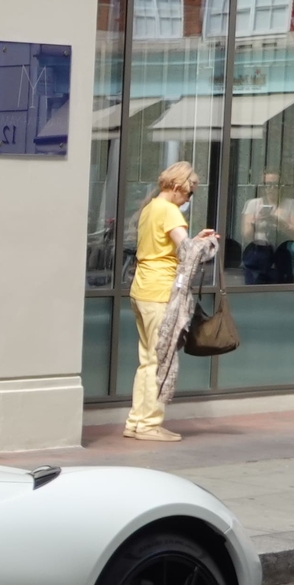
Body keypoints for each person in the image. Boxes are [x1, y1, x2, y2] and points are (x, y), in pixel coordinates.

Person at [125, 161, 217, 441]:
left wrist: (193, 240)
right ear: (177, 187)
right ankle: (149, 424)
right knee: (161, 360)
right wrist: (207, 244)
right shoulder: (170, 211)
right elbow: (188, 252)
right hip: (161, 291)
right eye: (190, 192)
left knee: (147, 360)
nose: (189, 198)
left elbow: (171, 246)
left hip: (141, 288)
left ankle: (137, 421)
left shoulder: (150, 208)